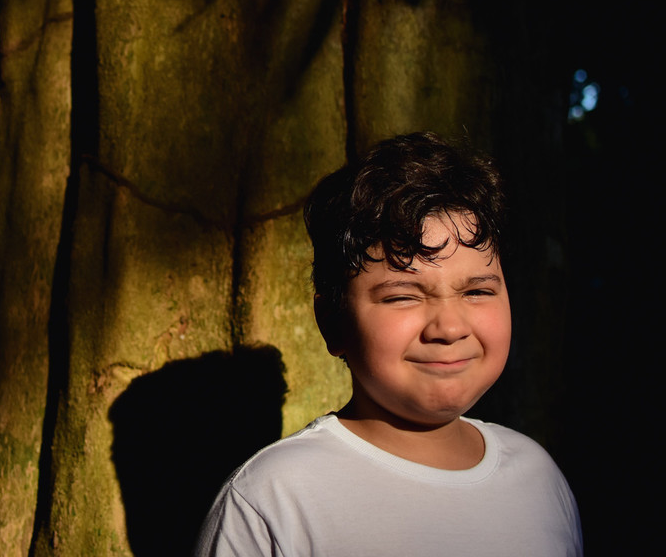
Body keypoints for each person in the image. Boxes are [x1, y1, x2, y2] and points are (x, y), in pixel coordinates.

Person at [194, 131, 582, 556]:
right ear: (331, 323)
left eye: (476, 291)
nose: (449, 328)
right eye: (402, 297)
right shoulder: (273, 500)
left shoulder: (539, 478)